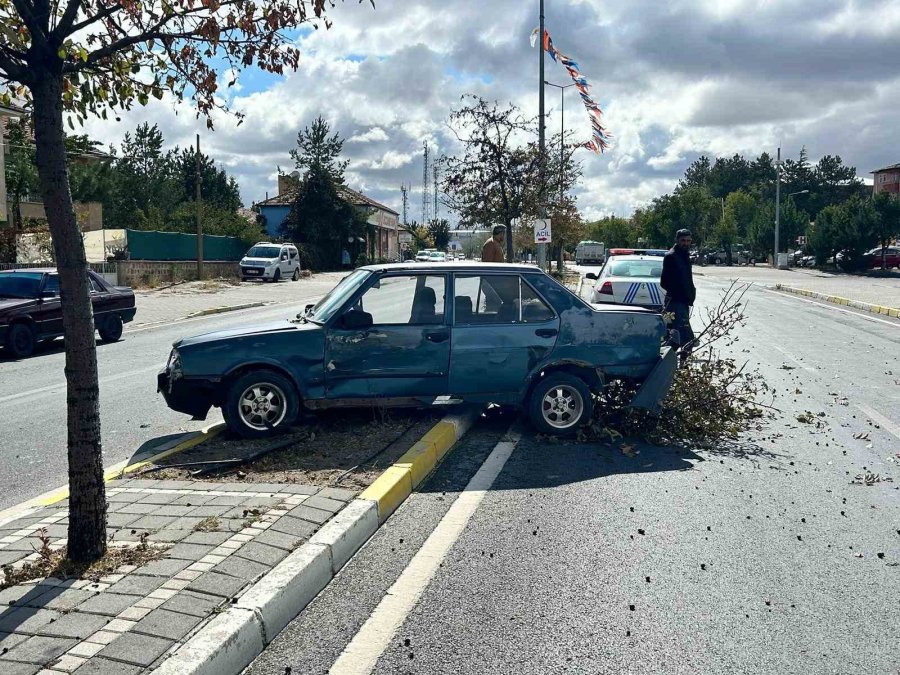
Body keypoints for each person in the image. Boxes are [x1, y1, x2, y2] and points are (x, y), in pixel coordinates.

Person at [660, 228, 696, 360]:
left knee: (676, 337)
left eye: (688, 241)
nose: (686, 243)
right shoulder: (671, 256)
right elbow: (664, 282)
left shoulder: (684, 256)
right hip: (675, 303)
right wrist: (680, 294)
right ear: (677, 241)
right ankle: (679, 367)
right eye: (683, 241)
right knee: (686, 338)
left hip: (683, 303)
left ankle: (668, 365)